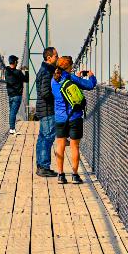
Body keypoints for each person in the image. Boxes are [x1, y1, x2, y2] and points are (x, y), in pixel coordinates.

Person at [50, 56, 98, 184]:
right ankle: (75, 175)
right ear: (69, 67)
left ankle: (60, 175)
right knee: (74, 146)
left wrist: (75, 78)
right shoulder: (71, 78)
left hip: (60, 118)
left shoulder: (53, 80)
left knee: (60, 145)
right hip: (75, 117)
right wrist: (91, 76)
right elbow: (90, 85)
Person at [31, 47, 59, 176]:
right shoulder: (47, 72)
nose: (57, 59)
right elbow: (45, 92)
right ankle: (44, 167)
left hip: (43, 109)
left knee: (42, 138)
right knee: (48, 138)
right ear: (49, 58)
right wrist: (58, 97)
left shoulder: (44, 70)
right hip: (47, 109)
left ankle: (41, 165)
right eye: (56, 56)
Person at [3, 55, 28, 132]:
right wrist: (26, 71)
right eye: (16, 61)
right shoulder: (19, 73)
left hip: (10, 95)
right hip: (17, 96)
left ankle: (12, 127)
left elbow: (8, 69)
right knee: (13, 113)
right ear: (15, 62)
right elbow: (26, 80)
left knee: (11, 112)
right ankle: (12, 129)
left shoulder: (6, 72)